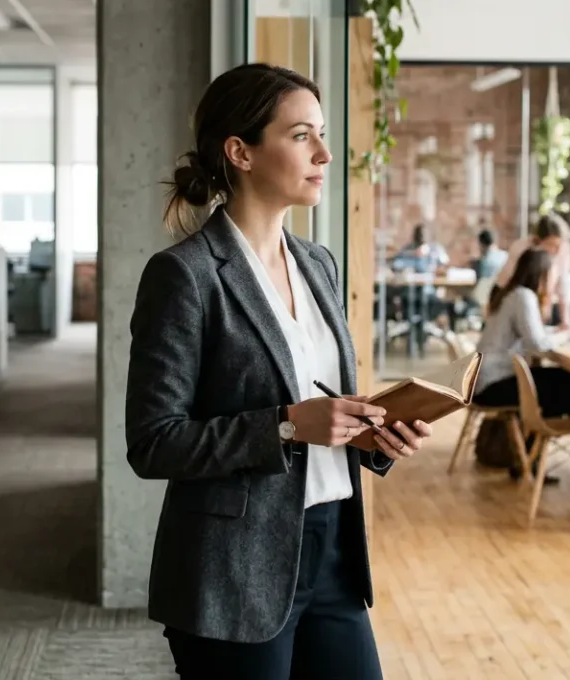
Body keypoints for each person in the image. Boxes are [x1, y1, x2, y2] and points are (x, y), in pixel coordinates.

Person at [125, 63, 433, 680]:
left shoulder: (318, 263)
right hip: (234, 568)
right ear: (240, 151)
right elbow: (153, 442)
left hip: (333, 552)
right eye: (300, 136)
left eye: (320, 133)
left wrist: (374, 431)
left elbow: (321, 406)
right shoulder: (186, 276)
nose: (323, 152)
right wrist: (288, 427)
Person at [473, 248, 570, 481]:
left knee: (559, 380)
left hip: (483, 380)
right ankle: (569, 448)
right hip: (492, 385)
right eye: (553, 276)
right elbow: (537, 345)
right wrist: (566, 335)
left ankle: (534, 456)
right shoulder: (523, 296)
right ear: (542, 274)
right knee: (563, 381)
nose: (554, 282)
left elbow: (533, 337)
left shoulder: (510, 293)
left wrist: (555, 333)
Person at [494, 214, 570, 326]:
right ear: (537, 240)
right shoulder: (521, 249)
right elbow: (506, 282)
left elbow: (563, 284)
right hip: (516, 299)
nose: (557, 250)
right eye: (551, 244)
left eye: (559, 244)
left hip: (544, 302)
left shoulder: (564, 249)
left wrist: (566, 320)